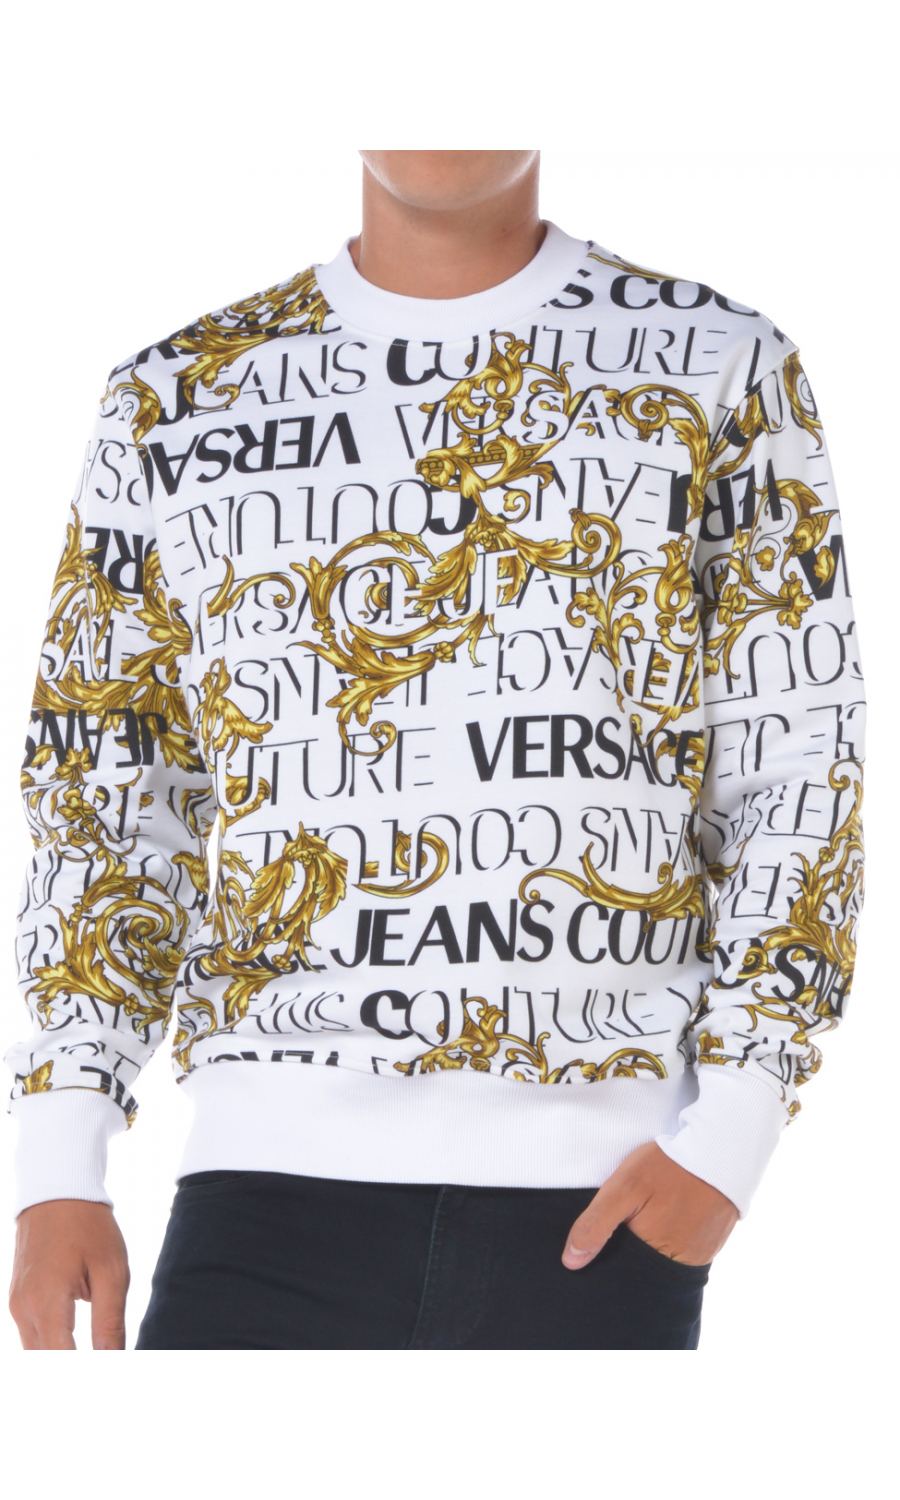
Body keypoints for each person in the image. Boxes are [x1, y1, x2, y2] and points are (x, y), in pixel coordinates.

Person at [6, 150, 865, 1350]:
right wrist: (59, 1154)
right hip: (262, 1188)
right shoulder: (180, 395)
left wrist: (731, 1137)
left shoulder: (717, 363)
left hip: (603, 1210)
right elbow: (106, 790)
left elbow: (796, 768)